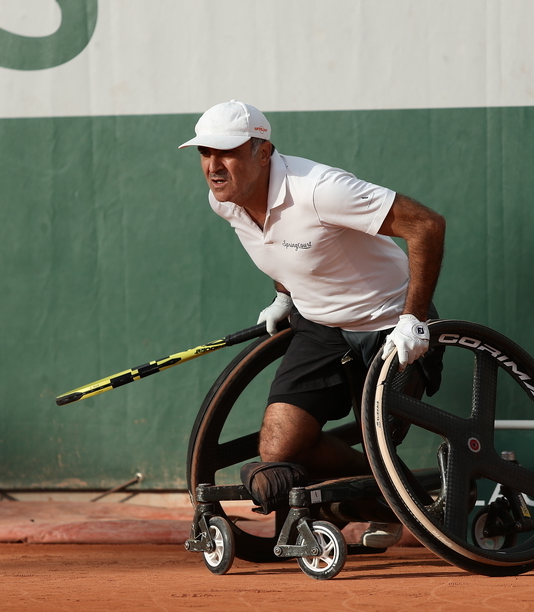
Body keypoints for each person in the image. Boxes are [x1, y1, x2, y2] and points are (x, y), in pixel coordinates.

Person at [179, 100, 446, 547]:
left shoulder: (321, 189)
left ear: (263, 153)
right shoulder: (224, 202)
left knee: (379, 437)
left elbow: (426, 225)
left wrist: (413, 318)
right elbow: (276, 248)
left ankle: (388, 495)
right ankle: (385, 501)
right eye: (205, 153)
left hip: (389, 325)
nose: (213, 166)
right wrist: (283, 296)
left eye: (226, 152)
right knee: (279, 448)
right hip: (320, 328)